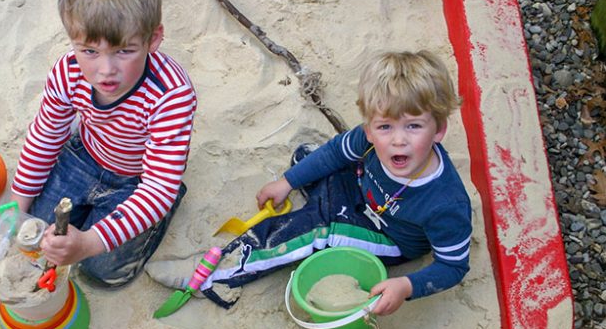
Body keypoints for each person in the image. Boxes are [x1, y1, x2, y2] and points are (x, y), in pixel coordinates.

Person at [147, 50, 470, 315]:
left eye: (414, 127)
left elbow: (453, 266)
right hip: (361, 190)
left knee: (317, 231)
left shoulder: (445, 204)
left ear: (439, 130)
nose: (398, 140)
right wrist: (286, 183)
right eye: (385, 127)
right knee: (307, 157)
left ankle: (217, 273)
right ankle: (319, 206)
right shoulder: (368, 139)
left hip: (389, 235)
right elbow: (333, 153)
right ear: (369, 128)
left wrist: (407, 286)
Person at [10, 0, 197, 287]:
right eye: (89, 51)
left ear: (153, 40)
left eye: (124, 51)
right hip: (84, 155)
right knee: (37, 234)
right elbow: (46, 135)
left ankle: (162, 215)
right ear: (73, 39)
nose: (105, 70)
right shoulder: (68, 71)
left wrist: (88, 243)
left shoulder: (171, 95)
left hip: (138, 178)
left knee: (102, 269)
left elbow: (156, 188)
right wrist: (18, 207)